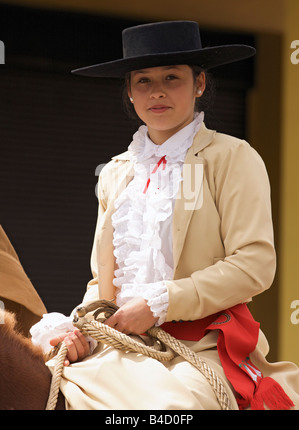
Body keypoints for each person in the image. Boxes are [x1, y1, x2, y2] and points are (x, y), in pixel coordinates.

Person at [31, 21, 299, 410]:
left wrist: (160, 303)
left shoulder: (232, 157)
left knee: (172, 410)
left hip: (201, 345)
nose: (156, 91)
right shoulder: (115, 172)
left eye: (172, 78)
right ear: (129, 91)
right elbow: (101, 280)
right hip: (117, 344)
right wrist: (82, 330)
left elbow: (254, 265)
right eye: (143, 80)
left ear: (199, 84)